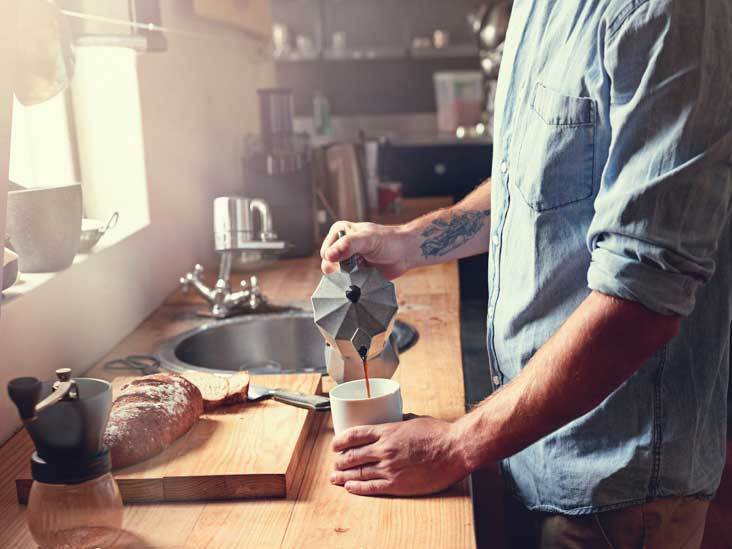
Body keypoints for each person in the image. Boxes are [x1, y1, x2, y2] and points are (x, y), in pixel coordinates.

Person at [320, 1, 732, 547]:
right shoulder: (540, 8)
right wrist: (410, 242)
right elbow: (534, 180)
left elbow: (643, 297)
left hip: (615, 491)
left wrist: (453, 446)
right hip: (528, 449)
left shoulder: (668, 12)